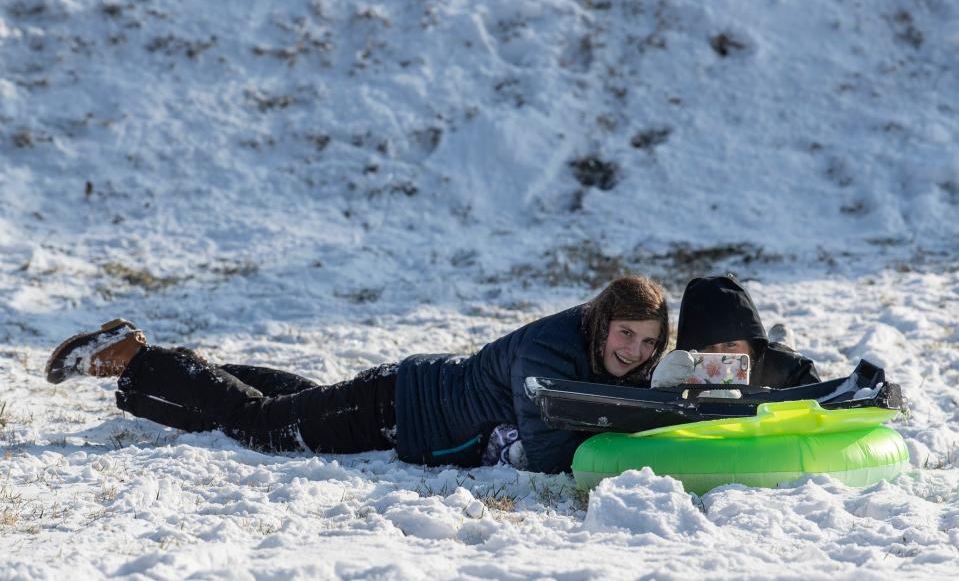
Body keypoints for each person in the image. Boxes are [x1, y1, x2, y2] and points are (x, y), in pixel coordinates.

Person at [44, 275, 669, 474]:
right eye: (626, 336)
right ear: (602, 322)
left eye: (648, 343)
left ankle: (194, 374)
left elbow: (622, 398)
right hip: (400, 409)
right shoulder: (551, 354)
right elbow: (551, 452)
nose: (634, 352)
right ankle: (139, 360)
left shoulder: (590, 343)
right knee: (265, 427)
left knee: (292, 404)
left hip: (410, 393)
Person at [651, 274, 821, 390]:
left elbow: (821, 398)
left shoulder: (782, 365)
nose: (721, 355)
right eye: (709, 347)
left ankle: (781, 334)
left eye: (731, 344)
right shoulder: (680, 368)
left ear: (752, 347)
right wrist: (661, 391)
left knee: (782, 346)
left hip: (771, 359)